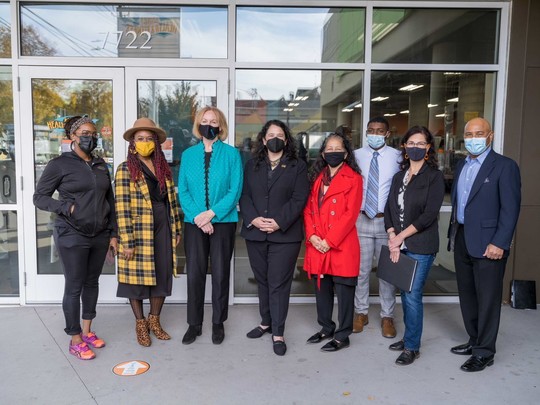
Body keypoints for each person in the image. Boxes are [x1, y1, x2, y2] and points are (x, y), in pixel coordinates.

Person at [33, 115, 117, 360]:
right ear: (73, 136)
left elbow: (109, 202)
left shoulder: (101, 164)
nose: (91, 137)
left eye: (93, 133)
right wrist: (66, 208)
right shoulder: (59, 164)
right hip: (71, 234)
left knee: (92, 283)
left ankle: (88, 331)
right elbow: (39, 197)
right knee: (74, 286)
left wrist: (113, 233)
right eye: (85, 133)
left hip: (99, 234)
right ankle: (75, 338)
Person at [448, 117, 521, 372]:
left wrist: (500, 242)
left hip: (490, 244)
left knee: (488, 299)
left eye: (479, 133)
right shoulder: (461, 165)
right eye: (469, 134)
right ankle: (474, 339)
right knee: (468, 295)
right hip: (463, 238)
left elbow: (510, 210)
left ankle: (485, 352)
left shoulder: (504, 166)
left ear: (490, 136)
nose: (473, 138)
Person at [240, 120, 309, 356]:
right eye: (271, 135)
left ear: (286, 140)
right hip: (255, 232)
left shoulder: (297, 166)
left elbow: (300, 198)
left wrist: (279, 221)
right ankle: (265, 322)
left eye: (279, 135)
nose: (275, 138)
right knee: (263, 281)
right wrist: (254, 219)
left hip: (285, 235)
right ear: (263, 139)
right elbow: (244, 196)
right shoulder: (251, 166)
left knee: (279, 284)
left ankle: (278, 332)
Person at [178, 106, 243, 345]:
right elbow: (183, 190)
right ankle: (194, 324)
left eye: (213, 121)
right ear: (198, 125)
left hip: (223, 222)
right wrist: (199, 217)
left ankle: (218, 322)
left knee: (220, 272)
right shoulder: (188, 155)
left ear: (220, 125)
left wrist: (212, 214)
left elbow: (234, 189)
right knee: (194, 273)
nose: (209, 124)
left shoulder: (232, 154)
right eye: (204, 120)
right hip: (194, 223)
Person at [115, 118, 182, 347]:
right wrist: (127, 240)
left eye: (149, 138)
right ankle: (141, 324)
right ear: (133, 143)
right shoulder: (125, 169)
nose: (145, 142)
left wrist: (176, 228)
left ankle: (155, 321)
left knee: (161, 273)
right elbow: (122, 207)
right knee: (136, 278)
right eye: (140, 138)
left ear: (156, 142)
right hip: (139, 227)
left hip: (163, 223)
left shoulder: (163, 167)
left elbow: (171, 200)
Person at [384, 125, 445, 366]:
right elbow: (390, 208)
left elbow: (429, 215)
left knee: (411, 294)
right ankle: (410, 337)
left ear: (429, 147)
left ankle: (412, 347)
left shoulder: (434, 177)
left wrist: (400, 237)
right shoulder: (400, 176)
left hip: (421, 245)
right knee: (404, 291)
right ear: (405, 147)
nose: (416, 147)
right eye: (412, 143)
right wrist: (391, 234)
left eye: (421, 143)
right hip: (398, 242)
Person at [303, 132, 363, 352]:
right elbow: (308, 210)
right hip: (317, 243)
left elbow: (350, 214)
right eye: (329, 148)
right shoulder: (317, 178)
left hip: (341, 245)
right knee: (322, 289)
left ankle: (343, 335)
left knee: (345, 292)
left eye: (338, 149)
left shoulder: (354, 179)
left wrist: (328, 241)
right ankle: (326, 327)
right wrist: (311, 236)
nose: (333, 152)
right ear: (323, 152)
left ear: (346, 154)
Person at [352, 117, 401, 338]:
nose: (375, 134)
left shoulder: (398, 157)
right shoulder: (355, 156)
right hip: (361, 219)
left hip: (386, 222)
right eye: (370, 130)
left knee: (387, 273)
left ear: (387, 134)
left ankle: (387, 315)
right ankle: (360, 312)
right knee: (361, 271)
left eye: (380, 131)